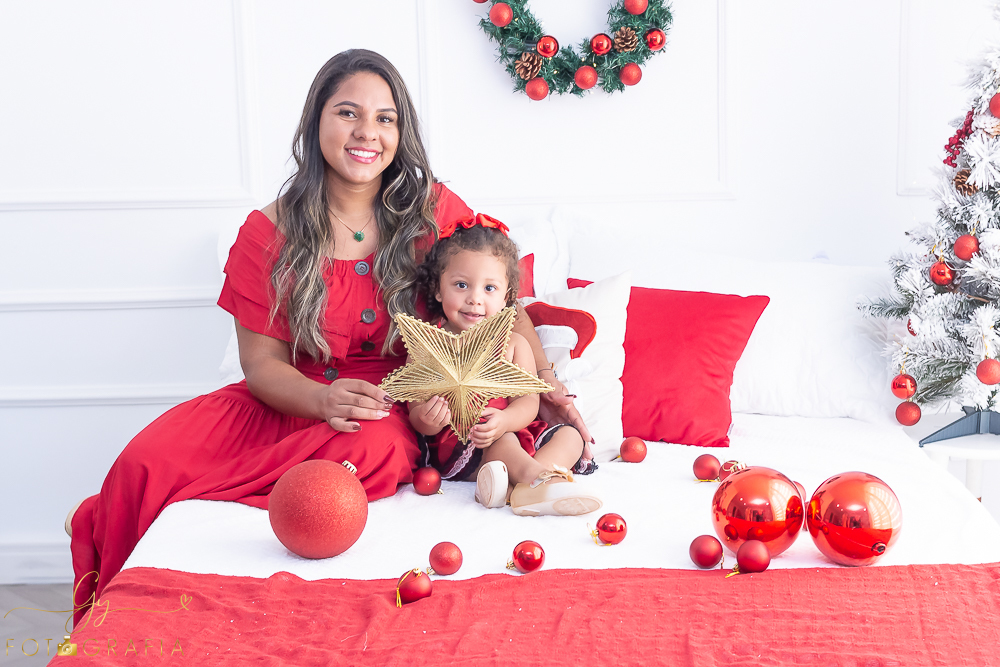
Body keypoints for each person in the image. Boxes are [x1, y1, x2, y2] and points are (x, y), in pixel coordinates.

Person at [65, 49, 592, 624]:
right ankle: (107, 524)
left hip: (384, 404)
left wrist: (545, 384)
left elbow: (502, 303)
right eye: (348, 113)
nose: (367, 132)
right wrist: (319, 399)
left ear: (401, 133)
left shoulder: (434, 211)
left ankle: (189, 495)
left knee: (363, 453)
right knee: (145, 460)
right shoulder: (267, 232)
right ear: (316, 120)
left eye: (385, 118)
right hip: (292, 395)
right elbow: (261, 364)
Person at [410, 215, 602, 516]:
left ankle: (520, 489)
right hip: (462, 443)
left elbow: (528, 402)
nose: (475, 299)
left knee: (570, 435)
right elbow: (416, 414)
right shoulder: (428, 345)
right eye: (461, 285)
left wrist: (506, 419)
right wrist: (428, 418)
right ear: (438, 289)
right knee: (502, 438)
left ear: (507, 297)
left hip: (512, 430)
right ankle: (539, 480)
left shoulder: (514, 344)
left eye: (489, 288)